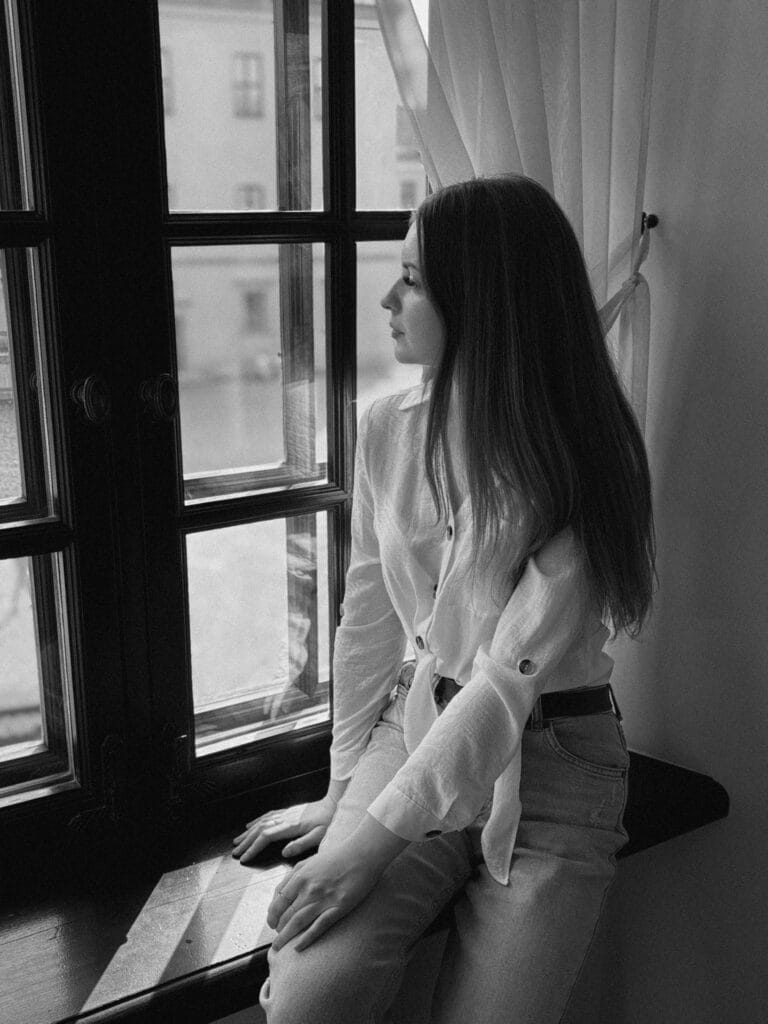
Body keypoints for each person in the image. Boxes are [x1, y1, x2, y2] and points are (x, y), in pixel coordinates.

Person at [233, 174, 655, 1024]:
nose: (389, 298)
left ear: (484, 301)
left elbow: (504, 682)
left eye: (415, 279)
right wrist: (341, 787)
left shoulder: (584, 457)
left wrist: (367, 850)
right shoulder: (386, 429)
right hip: (414, 729)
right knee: (315, 1000)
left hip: (556, 772)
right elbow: (367, 623)